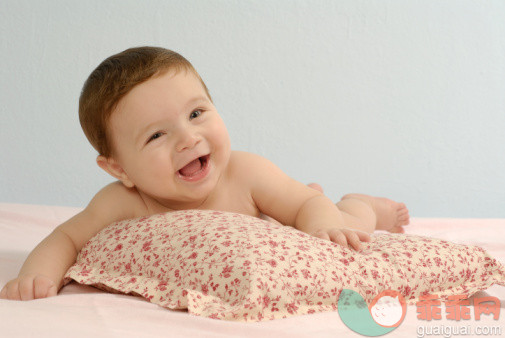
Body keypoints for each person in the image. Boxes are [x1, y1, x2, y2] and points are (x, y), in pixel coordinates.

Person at [0, 47, 410, 301]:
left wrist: (321, 223)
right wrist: (36, 274)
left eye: (196, 113)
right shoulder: (122, 201)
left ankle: (361, 202)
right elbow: (67, 237)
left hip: (288, 217)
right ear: (119, 168)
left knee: (342, 224)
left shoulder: (244, 172)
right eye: (157, 134)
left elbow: (306, 207)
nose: (188, 138)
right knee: (297, 198)